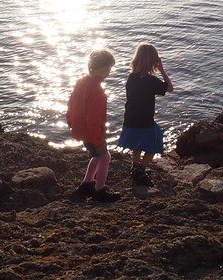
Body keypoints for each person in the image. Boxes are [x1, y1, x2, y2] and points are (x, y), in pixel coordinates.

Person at [66, 49, 121, 202]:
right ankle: (99, 190)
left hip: (80, 129)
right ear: (101, 68)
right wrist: (98, 140)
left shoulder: (81, 82)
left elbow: (70, 104)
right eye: (108, 68)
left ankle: (87, 184)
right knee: (104, 157)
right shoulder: (98, 91)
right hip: (91, 132)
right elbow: (93, 119)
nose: (109, 71)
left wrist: (71, 122)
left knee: (96, 157)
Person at [119, 43, 173, 187]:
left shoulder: (131, 77)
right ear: (152, 61)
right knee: (154, 144)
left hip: (130, 118)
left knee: (137, 144)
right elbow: (170, 88)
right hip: (145, 120)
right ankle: (140, 169)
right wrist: (161, 69)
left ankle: (135, 166)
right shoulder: (150, 80)